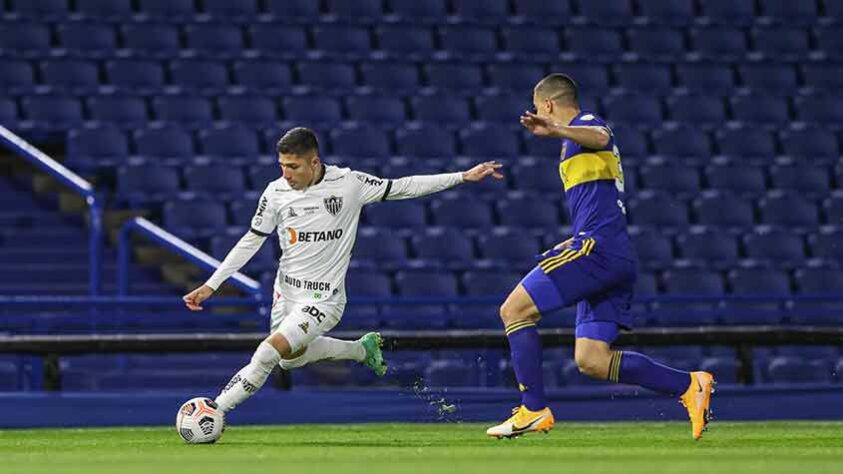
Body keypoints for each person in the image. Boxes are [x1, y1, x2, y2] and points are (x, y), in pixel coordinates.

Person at [183, 127, 503, 418]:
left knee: (268, 352)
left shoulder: (349, 184)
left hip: (324, 300)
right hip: (286, 294)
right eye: (281, 165)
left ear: (314, 162)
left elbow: (404, 186)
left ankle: (214, 410)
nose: (286, 174)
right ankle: (360, 349)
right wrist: (212, 285)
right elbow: (250, 241)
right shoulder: (276, 192)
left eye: (293, 166)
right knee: (289, 359)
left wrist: (462, 176)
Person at [485, 74, 715, 440]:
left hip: (598, 250)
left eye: (537, 105)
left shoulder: (585, 125)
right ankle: (689, 385)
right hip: (611, 251)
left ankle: (533, 409)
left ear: (546, 104)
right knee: (591, 360)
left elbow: (602, 136)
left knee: (514, 310)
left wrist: (559, 129)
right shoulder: (573, 144)